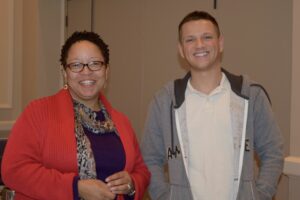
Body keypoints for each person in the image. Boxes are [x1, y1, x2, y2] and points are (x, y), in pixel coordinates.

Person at [141, 10, 283, 200]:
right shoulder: (164, 101)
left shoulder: (251, 95)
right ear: (181, 50)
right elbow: (149, 158)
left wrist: (260, 195)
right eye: (190, 39)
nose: (199, 45)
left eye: (207, 37)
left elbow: (273, 152)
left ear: (220, 43)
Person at [1, 31, 150, 200]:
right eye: (76, 65)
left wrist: (132, 184)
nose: (86, 71)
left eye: (95, 63)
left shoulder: (121, 121)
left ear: (106, 71)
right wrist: (75, 187)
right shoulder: (38, 112)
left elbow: (141, 170)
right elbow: (14, 170)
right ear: (65, 72)